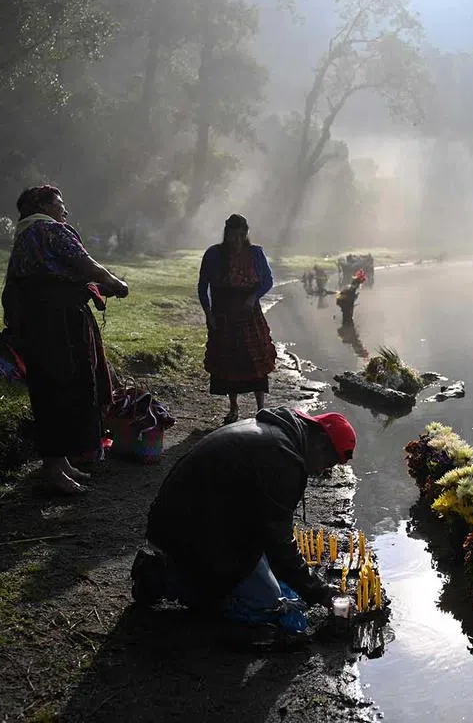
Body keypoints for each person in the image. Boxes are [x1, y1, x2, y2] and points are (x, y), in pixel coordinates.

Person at [132, 408, 357, 634]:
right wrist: (320, 592)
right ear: (319, 441)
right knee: (266, 602)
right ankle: (161, 577)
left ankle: (187, 574)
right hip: (188, 530)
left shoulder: (278, 436)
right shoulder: (281, 457)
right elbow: (279, 542)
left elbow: (267, 528)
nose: (323, 470)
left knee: (271, 577)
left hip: (199, 520)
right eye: (329, 462)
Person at [2, 184, 129, 494]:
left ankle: (59, 463)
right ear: (42, 205)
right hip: (56, 322)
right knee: (59, 387)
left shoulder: (25, 235)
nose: (64, 211)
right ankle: (53, 468)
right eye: (59, 204)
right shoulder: (51, 230)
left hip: (38, 320)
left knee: (51, 386)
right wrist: (113, 281)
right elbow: (84, 263)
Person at [197, 213, 277, 423]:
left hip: (249, 313)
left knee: (255, 358)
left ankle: (261, 407)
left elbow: (268, 281)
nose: (237, 241)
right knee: (228, 360)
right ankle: (234, 408)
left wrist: (254, 297)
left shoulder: (256, 254)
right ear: (227, 234)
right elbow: (202, 286)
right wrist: (208, 313)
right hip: (223, 314)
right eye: (233, 236)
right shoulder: (214, 255)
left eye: (241, 236)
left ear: (246, 234)